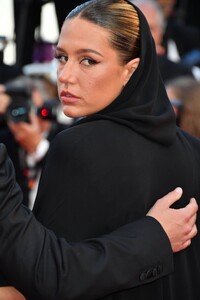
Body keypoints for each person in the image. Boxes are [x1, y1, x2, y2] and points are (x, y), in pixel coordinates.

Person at [0, 0, 199, 299]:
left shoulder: (78, 146)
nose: (65, 75)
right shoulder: (193, 150)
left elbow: (44, 277)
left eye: (88, 61)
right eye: (62, 57)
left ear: (130, 71)